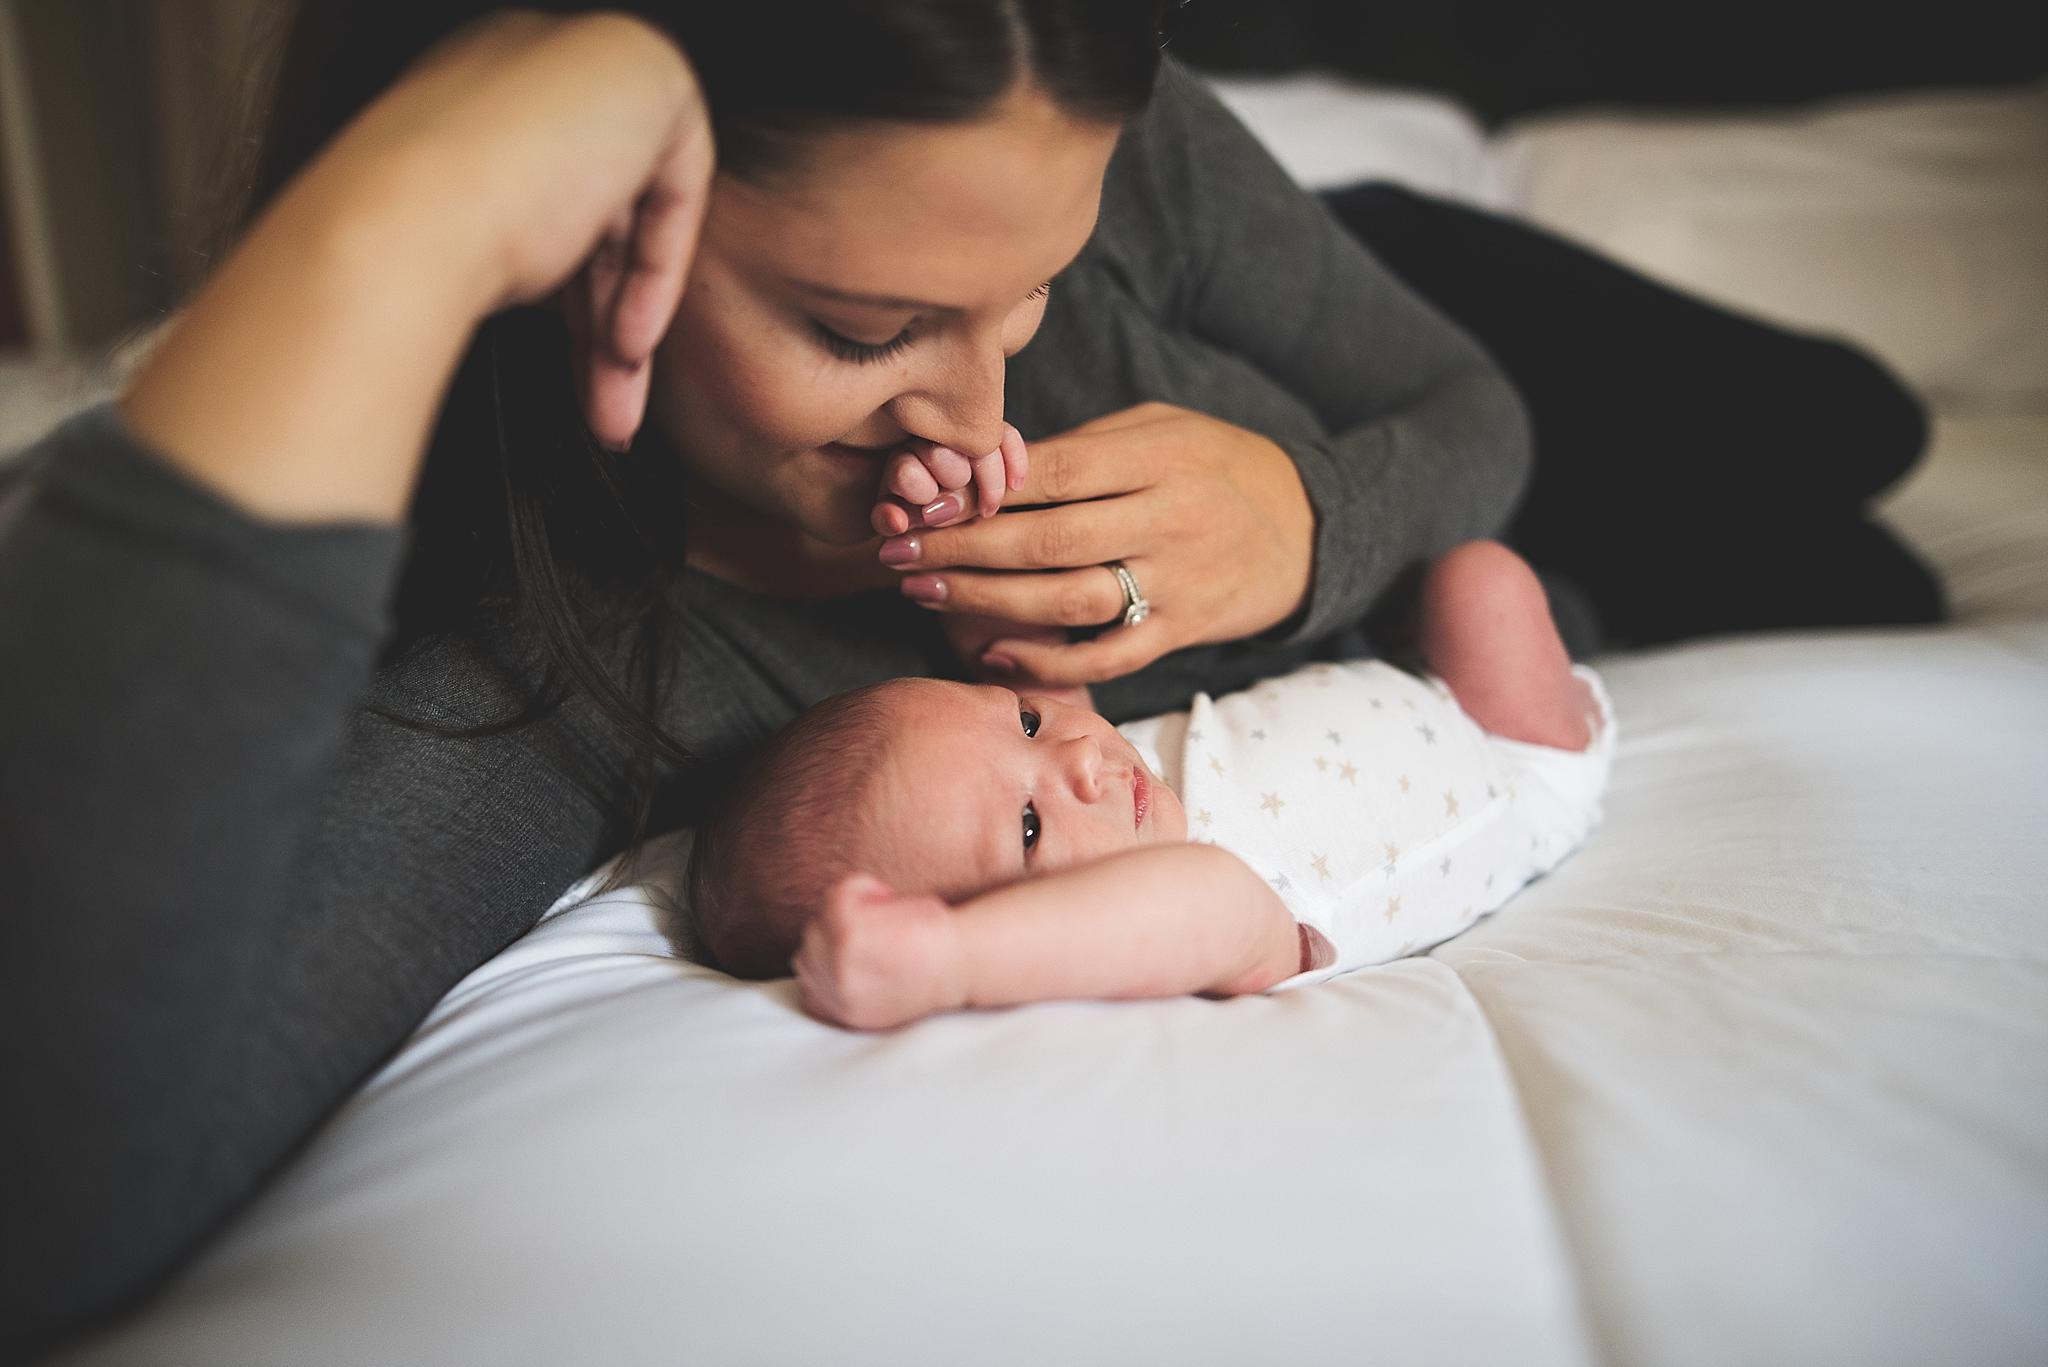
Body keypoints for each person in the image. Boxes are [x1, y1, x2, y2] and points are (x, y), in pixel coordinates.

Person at [0, 1, 1932, 1353]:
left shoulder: (1123, 162)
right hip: (1537, 604)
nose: (979, 403)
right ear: (593, 227)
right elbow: (54, 1201)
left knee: (1848, 425)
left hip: (1394, 332)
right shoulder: (565, 665)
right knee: (1859, 565)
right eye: (865, 326)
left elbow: (1464, 411)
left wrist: (1307, 517)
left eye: (1022, 301)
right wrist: (406, 204)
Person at [683, 540, 1612, 1029]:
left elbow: (1045, 674)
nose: (1081, 761)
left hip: (1430, 683)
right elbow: (1206, 900)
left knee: (1467, 571)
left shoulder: (1104, 782)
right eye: (1031, 830)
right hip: (1519, 766)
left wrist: (967, 564)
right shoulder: (1200, 916)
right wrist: (951, 958)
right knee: (1484, 583)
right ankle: (1572, 717)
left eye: (1027, 724)